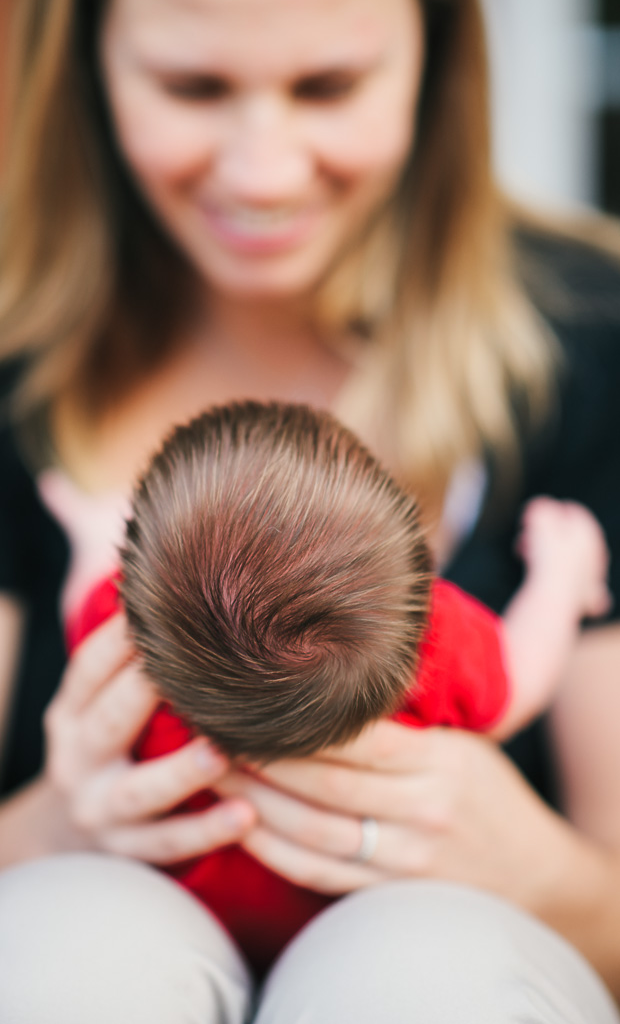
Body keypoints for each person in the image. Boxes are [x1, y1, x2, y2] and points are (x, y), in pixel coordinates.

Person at [0, 0, 620, 1020]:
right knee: (61, 949)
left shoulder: (594, 339)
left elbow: (90, 606)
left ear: (435, 60)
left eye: (329, 85)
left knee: (433, 970)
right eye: (193, 86)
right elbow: (508, 673)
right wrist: (62, 822)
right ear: (87, 62)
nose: (263, 170)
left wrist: (533, 864)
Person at [66, 398, 610, 974]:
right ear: (413, 557)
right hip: (363, 933)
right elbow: (519, 681)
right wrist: (560, 580)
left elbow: (81, 614)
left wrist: (88, 544)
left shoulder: (125, 635)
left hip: (187, 921)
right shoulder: (434, 640)